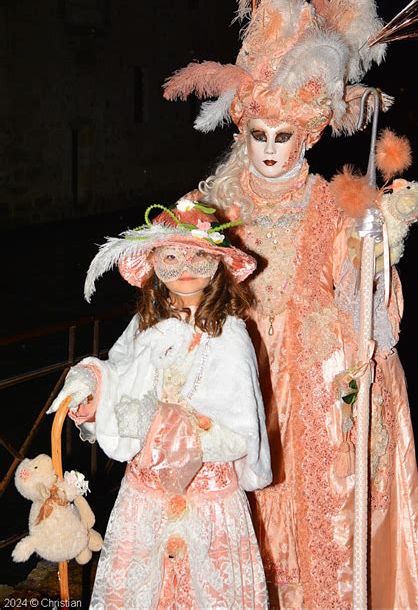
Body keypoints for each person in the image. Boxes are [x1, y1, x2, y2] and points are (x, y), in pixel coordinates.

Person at [162, 0, 418, 610]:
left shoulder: (330, 208)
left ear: (308, 134)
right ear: (242, 130)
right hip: (231, 395)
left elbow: (371, 316)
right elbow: (171, 303)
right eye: (259, 135)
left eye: (284, 136)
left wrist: (377, 253)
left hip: (307, 403)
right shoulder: (210, 207)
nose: (271, 150)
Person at [48, 199, 272, 609]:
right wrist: (95, 398)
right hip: (145, 500)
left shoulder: (231, 334)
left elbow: (239, 433)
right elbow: (118, 377)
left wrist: (172, 426)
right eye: (170, 256)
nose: (184, 268)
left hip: (208, 503)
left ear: (217, 264)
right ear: (153, 263)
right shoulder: (143, 326)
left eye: (198, 256)